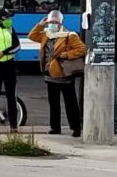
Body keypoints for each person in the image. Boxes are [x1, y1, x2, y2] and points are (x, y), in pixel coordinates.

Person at [28, 10, 86, 138]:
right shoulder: (46, 34)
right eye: (51, 22)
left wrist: (66, 55)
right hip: (50, 74)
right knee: (53, 103)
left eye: (55, 22)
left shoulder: (69, 35)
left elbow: (81, 49)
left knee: (70, 103)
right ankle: (55, 127)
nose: (52, 24)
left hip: (64, 74)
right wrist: (40, 24)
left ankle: (76, 128)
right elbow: (31, 36)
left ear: (60, 23)